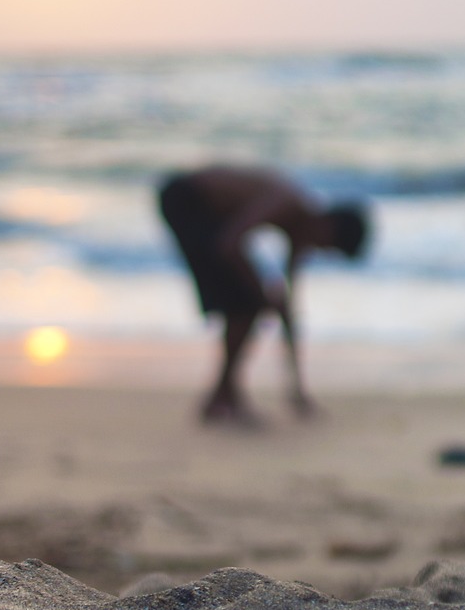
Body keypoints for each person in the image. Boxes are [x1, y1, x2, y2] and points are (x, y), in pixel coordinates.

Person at [158, 165, 369, 426]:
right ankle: (223, 397)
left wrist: (296, 390)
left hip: (208, 213)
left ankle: (222, 396)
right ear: (328, 225)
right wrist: (262, 294)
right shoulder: (287, 203)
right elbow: (230, 243)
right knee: (245, 306)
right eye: (329, 246)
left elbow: (288, 309)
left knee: (245, 306)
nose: (322, 250)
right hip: (187, 198)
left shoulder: (301, 233)